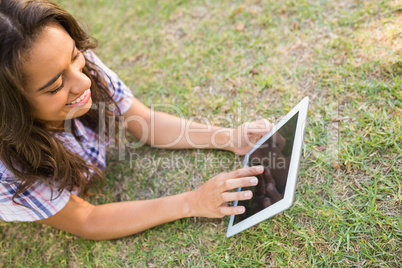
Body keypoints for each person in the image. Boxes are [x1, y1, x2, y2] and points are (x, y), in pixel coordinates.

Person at [0, 0, 273, 240]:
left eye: (74, 56)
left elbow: (142, 120)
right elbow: (87, 220)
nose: (83, 81)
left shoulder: (70, 63)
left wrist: (228, 137)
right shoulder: (6, 171)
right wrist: (193, 202)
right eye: (56, 85)